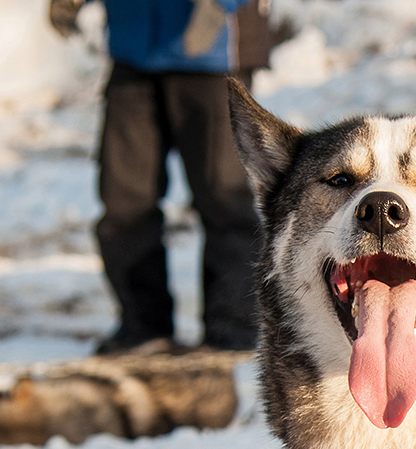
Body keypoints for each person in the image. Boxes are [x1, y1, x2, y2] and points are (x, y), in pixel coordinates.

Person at [50, 0, 273, 354]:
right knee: (124, 201)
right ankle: (143, 326)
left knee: (224, 199)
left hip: (214, 52)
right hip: (133, 47)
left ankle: (233, 331)